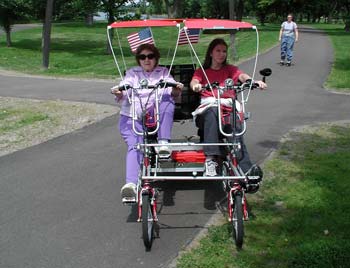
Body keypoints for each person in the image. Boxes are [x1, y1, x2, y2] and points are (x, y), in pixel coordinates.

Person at [111, 44, 183, 201]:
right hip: (132, 116)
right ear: (139, 59)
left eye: (150, 56)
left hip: (154, 112)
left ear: (156, 58)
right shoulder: (132, 73)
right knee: (135, 146)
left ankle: (163, 143)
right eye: (142, 57)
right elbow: (125, 87)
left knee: (167, 99)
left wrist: (175, 89)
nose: (147, 60)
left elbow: (170, 85)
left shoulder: (162, 72)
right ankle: (130, 185)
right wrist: (120, 90)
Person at [190, 38, 266, 181]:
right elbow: (194, 81)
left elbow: (242, 76)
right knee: (212, 110)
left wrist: (251, 81)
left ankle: (247, 171)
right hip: (208, 113)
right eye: (218, 51)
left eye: (224, 51)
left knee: (235, 129)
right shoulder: (202, 71)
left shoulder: (230, 69)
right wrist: (196, 85)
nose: (221, 54)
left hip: (227, 112)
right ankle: (210, 160)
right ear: (211, 53)